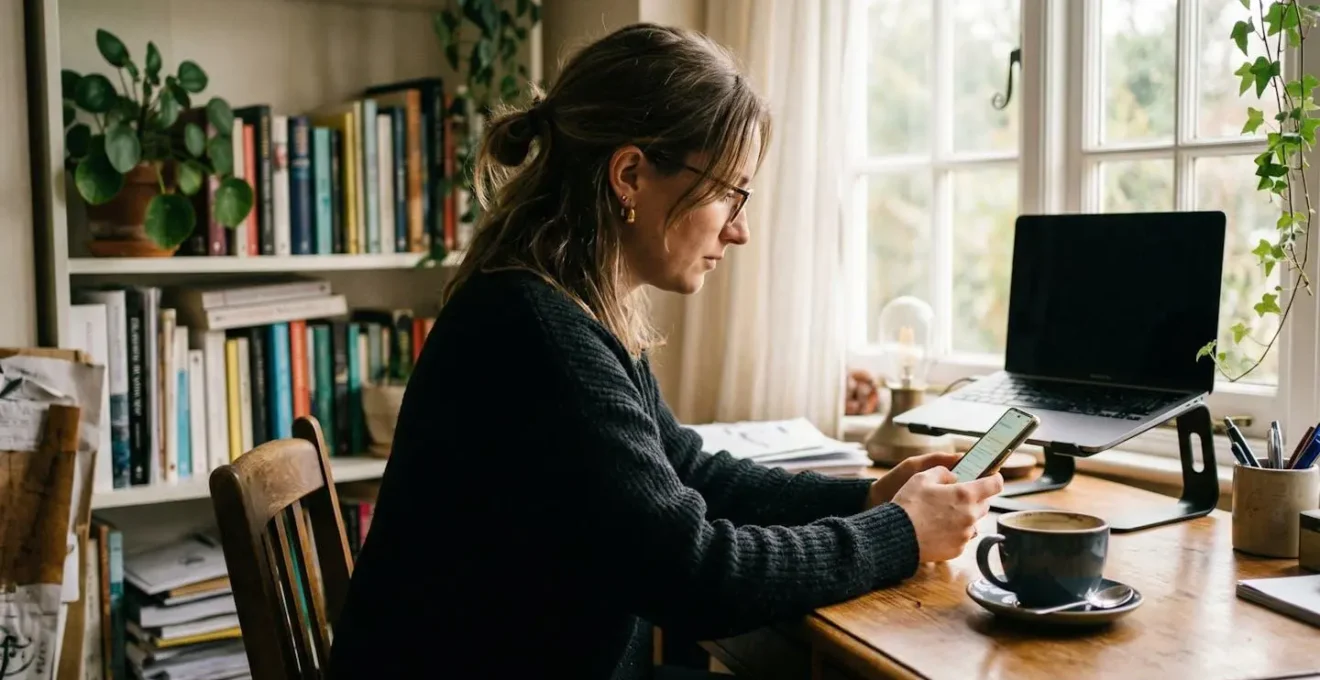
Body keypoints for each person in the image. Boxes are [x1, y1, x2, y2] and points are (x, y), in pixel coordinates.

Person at [326, 22, 1003, 680]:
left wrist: (866, 498)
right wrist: (900, 535)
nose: (739, 230)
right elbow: (699, 577)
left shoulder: (565, 305)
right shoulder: (535, 333)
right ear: (630, 175)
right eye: (730, 193)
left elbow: (689, 470)